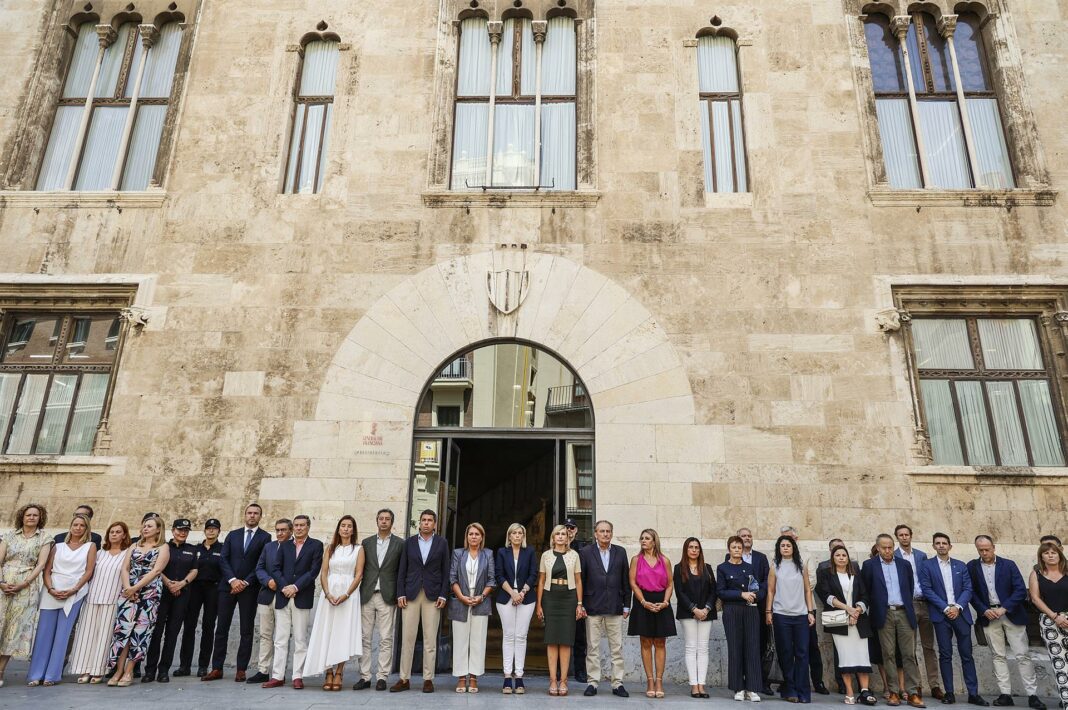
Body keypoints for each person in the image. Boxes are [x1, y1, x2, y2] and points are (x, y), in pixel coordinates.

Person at [968, 535, 1042, 710]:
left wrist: (1005, 608)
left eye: (987, 549)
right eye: (980, 550)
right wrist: (983, 610)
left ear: (994, 547)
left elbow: (1020, 590)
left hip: (1012, 614)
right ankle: (1005, 694)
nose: (984, 553)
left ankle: (1032, 695)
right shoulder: (972, 566)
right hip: (988, 616)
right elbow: (970, 591)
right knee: (997, 655)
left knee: (1022, 654)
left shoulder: (1008, 565)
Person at [27, 513, 97, 686]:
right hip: (51, 591)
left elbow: (89, 571)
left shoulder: (90, 546)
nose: (78, 528)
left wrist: (74, 589)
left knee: (62, 635)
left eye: (82, 525)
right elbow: (47, 570)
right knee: (44, 633)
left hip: (74, 593)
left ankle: (51, 676)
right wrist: (51, 588)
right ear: (70, 527)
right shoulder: (57, 546)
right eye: (75, 525)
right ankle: (36, 674)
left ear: (86, 528)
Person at [917, 533, 986, 707]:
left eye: (944, 543)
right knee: (945, 654)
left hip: (961, 614)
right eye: (938, 543)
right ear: (934, 546)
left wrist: (958, 607)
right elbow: (927, 589)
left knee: (967, 655)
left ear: (950, 546)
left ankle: (973, 693)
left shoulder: (960, 565)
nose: (941, 545)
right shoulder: (927, 566)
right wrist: (946, 608)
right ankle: (949, 692)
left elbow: (968, 588)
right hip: (941, 615)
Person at [203, 502, 269, 682]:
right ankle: (217, 668)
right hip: (228, 587)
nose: (252, 515)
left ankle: (241, 669)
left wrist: (245, 582)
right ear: (245, 515)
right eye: (249, 513)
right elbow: (223, 559)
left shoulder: (265, 537)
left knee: (246, 630)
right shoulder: (233, 535)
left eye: (256, 513)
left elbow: (261, 563)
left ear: (260, 516)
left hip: (249, 589)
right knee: (221, 628)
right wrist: (233, 580)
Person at [106, 515, 170, 687]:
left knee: (140, 633)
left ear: (158, 529)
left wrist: (136, 588)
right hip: (128, 593)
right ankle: (118, 670)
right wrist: (128, 588)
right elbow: (125, 568)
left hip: (149, 594)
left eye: (149, 526)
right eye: (144, 526)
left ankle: (129, 671)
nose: (145, 528)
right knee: (122, 633)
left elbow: (156, 571)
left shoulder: (163, 547)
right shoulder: (134, 545)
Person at [391, 509, 450, 694]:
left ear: (435, 524)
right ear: (419, 522)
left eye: (429, 520)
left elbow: (446, 570)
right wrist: (400, 593)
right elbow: (402, 569)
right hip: (411, 594)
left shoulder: (442, 543)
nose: (426, 523)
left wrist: (443, 594)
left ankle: (428, 679)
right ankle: (404, 678)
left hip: (433, 596)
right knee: (407, 638)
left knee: (430, 639)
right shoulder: (409, 543)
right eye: (423, 520)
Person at [862, 534, 924, 708]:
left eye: (890, 547)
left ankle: (913, 693)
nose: (888, 551)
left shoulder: (904, 565)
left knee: (909, 654)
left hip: (904, 612)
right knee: (888, 654)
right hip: (884, 613)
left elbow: (909, 587)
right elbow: (867, 590)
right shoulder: (869, 565)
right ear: (878, 548)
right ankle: (893, 692)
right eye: (884, 548)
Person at [302, 515, 363, 690]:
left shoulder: (358, 549)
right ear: (338, 528)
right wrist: (327, 593)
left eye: (349, 526)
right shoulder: (330, 548)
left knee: (342, 632)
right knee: (327, 630)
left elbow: (359, 574)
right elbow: (323, 573)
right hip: (329, 593)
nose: (346, 529)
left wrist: (346, 594)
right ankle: (328, 671)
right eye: (343, 525)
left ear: (353, 530)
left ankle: (339, 672)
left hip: (348, 594)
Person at [266, 514, 324, 689]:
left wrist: (296, 587)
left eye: (302, 525)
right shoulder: (284, 545)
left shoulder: (316, 545)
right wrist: (285, 587)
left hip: (302, 596)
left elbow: (313, 571)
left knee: (300, 638)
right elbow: (275, 568)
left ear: (308, 527)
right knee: (280, 639)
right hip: (283, 596)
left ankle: (297, 676)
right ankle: (277, 676)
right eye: (296, 525)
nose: (299, 528)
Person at [69, 521, 130, 683]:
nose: (114, 534)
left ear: (124, 535)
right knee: (86, 635)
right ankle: (84, 669)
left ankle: (98, 671)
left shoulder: (126, 554)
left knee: (104, 637)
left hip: (112, 600)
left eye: (118, 532)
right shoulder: (100, 553)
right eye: (112, 532)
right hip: (92, 598)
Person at [0, 502, 52, 687]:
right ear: (22, 516)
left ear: (40, 518)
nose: (31, 517)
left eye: (35, 515)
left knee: (13, 629)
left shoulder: (45, 538)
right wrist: (1, 583)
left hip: (26, 587)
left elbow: (41, 564)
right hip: (3, 583)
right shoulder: (9, 535)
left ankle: (0, 671)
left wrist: (25, 583)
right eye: (28, 514)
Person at [816, 544, 875, 706]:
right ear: (832, 558)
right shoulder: (827, 575)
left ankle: (864, 691)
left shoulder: (856, 574)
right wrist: (848, 609)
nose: (841, 558)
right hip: (840, 622)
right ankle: (849, 691)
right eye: (838, 555)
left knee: (862, 656)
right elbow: (827, 596)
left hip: (859, 621)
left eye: (844, 555)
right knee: (845, 657)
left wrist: (857, 611)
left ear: (848, 558)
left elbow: (865, 595)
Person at [579, 519, 631, 698]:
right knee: (592, 647)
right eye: (601, 531)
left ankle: (617, 683)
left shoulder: (620, 552)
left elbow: (625, 579)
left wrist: (627, 604)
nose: (605, 534)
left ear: (612, 533)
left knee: (616, 648)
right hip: (592, 606)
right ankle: (592, 682)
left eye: (608, 531)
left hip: (615, 606)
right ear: (595, 534)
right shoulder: (586, 552)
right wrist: (581, 604)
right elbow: (581, 580)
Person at [143, 518, 199, 683]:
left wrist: (181, 584)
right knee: (156, 632)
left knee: (172, 633)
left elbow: (194, 570)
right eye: (180, 530)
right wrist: (168, 583)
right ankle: (150, 670)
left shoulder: (192, 550)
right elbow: (156, 568)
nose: (182, 533)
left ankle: (163, 670)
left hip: (181, 594)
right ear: (173, 530)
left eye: (186, 531)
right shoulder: (163, 547)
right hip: (161, 594)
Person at [354, 508, 403, 691]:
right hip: (367, 594)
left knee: (386, 638)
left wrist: (399, 594)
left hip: (387, 596)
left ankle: (382, 676)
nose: (383, 521)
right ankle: (365, 677)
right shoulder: (366, 543)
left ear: (392, 522)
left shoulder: (400, 544)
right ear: (376, 521)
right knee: (364, 637)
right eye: (381, 518)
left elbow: (401, 572)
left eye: (387, 519)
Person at [781, 526, 830, 696]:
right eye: (783, 538)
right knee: (787, 647)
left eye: (790, 538)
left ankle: (817, 681)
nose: (786, 542)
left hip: (806, 607)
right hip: (785, 609)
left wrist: (795, 595)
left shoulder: (806, 556)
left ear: (796, 539)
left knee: (810, 645)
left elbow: (812, 580)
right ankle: (790, 682)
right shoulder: (777, 557)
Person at [537, 523, 584, 697]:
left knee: (565, 640)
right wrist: (539, 604)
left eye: (564, 534)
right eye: (558, 534)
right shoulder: (546, 555)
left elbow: (578, 581)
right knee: (551, 640)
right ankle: (552, 680)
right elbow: (541, 581)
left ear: (568, 537)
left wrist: (579, 603)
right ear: (553, 537)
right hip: (550, 598)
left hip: (569, 598)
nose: (561, 536)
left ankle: (563, 680)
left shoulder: (574, 555)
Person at [766, 534, 815, 703]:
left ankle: (803, 692)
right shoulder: (775, 566)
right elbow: (770, 591)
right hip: (781, 615)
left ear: (793, 548)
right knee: (786, 653)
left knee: (802, 653)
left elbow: (808, 590)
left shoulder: (801, 566)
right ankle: (790, 689)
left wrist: (810, 612)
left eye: (788, 545)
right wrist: (768, 612)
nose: (786, 548)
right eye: (783, 546)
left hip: (800, 615)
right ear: (778, 549)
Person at [628, 528, 675, 699]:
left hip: (661, 601)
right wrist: (643, 602)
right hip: (642, 601)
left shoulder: (665, 560)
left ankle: (659, 681)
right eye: (642, 538)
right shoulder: (636, 560)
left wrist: (665, 602)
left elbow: (670, 584)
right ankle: (649, 681)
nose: (643, 540)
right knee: (646, 642)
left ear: (654, 541)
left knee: (660, 642)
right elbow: (633, 583)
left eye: (647, 538)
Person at [896, 525, 942, 701]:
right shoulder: (895, 556)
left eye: (906, 534)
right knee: (910, 648)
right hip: (908, 605)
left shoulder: (921, 555)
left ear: (911, 536)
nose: (904, 537)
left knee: (929, 646)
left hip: (925, 603)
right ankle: (916, 686)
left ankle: (934, 685)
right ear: (897, 537)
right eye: (901, 535)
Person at [718, 534, 766, 702]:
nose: (737, 550)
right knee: (735, 648)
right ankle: (738, 688)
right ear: (729, 549)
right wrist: (741, 594)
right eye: (734, 547)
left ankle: (753, 688)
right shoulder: (722, 568)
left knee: (752, 648)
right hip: (732, 611)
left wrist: (755, 596)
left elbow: (759, 587)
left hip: (750, 610)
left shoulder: (750, 567)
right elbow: (721, 591)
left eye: (739, 547)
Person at [449, 522, 495, 693]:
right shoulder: (458, 553)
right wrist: (461, 596)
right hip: (460, 600)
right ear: (466, 537)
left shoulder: (488, 554)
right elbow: (452, 578)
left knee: (478, 641)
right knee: (460, 641)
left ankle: (474, 677)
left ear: (482, 537)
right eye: (471, 534)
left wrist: (481, 596)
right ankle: (461, 677)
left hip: (481, 601)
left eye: (477, 534)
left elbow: (492, 579)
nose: (473, 537)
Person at [247, 518, 291, 684]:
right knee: (265, 635)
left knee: (282, 637)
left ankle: (279, 672)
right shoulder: (269, 547)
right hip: (266, 596)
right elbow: (259, 568)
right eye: (277, 530)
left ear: (290, 531)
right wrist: (268, 581)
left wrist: (279, 583)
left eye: (283, 530)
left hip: (284, 597)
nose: (280, 533)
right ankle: (263, 670)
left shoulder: (294, 548)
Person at [495, 522, 537, 695]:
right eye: (514, 533)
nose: (517, 535)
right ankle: (507, 676)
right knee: (508, 636)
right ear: (509, 536)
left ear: (523, 536)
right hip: (506, 597)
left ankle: (519, 676)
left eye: (520, 533)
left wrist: (522, 592)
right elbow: (499, 575)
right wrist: (513, 593)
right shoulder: (502, 552)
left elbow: (533, 574)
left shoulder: (530, 552)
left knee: (521, 636)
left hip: (526, 598)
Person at [731, 527, 773, 695]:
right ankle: (740, 683)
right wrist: (742, 596)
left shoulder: (761, 558)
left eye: (749, 535)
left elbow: (766, 581)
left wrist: (757, 596)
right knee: (739, 646)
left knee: (759, 646)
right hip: (737, 608)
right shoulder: (729, 558)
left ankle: (759, 682)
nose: (747, 538)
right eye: (743, 536)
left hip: (758, 608)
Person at [177, 518, 222, 677]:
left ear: (219, 531)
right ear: (204, 531)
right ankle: (184, 665)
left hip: (213, 589)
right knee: (189, 625)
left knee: (208, 627)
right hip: (194, 589)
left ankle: (203, 666)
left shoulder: (223, 549)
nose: (211, 531)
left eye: (214, 528)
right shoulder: (195, 549)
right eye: (209, 528)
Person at [674, 536, 717, 699]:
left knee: (703, 648)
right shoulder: (679, 568)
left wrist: (706, 608)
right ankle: (694, 685)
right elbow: (680, 592)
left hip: (706, 612)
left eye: (696, 547)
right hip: (687, 613)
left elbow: (714, 591)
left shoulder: (707, 568)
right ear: (686, 550)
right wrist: (694, 609)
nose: (694, 550)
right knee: (691, 647)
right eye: (691, 547)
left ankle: (702, 685)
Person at [1028, 541, 1068, 710]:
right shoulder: (1036, 574)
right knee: (1060, 665)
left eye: (1053, 552)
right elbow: (1035, 599)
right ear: (1041, 557)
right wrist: (1055, 616)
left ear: (1060, 554)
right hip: (1050, 622)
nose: (1050, 555)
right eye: (1046, 553)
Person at [566, 518, 588, 685]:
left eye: (572, 527)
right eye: (566, 527)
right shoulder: (554, 547)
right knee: (559, 635)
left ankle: (580, 670)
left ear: (576, 530)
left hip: (579, 597)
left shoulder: (584, 549)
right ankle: (559, 670)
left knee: (580, 637)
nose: (568, 531)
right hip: (560, 596)